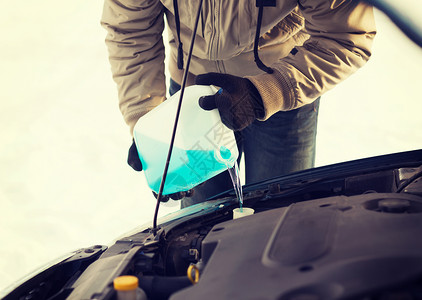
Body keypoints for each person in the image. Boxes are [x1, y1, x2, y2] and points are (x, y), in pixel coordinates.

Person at [101, 0, 376, 207]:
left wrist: (265, 92)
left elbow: (346, 37)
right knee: (201, 226)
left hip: (283, 94)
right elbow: (129, 30)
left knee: (280, 220)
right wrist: (148, 122)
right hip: (191, 100)